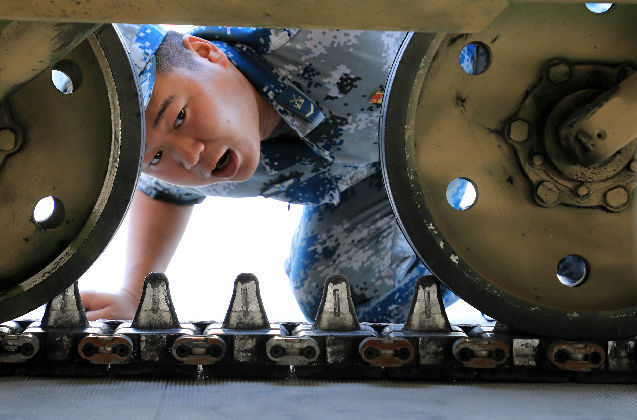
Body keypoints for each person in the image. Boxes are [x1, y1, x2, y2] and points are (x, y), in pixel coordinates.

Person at [80, 25, 455, 323]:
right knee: (337, 301)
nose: (189, 157)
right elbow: (162, 193)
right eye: (157, 155)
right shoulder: (198, 160)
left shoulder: (326, 35)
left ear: (206, 53)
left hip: (457, 118)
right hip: (381, 171)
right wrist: (134, 296)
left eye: (179, 116)